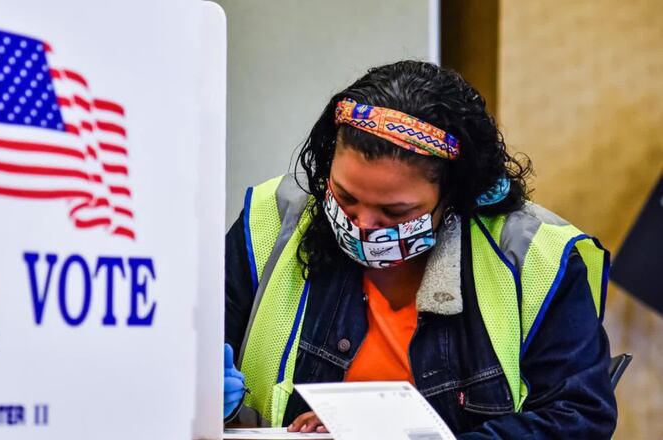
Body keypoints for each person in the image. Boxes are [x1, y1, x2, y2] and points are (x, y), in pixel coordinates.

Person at [222, 60, 617, 438]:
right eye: (344, 197)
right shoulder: (272, 220)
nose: (363, 224)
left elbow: (577, 417)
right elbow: (194, 357)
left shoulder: (533, 257)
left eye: (395, 211)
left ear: (455, 196)